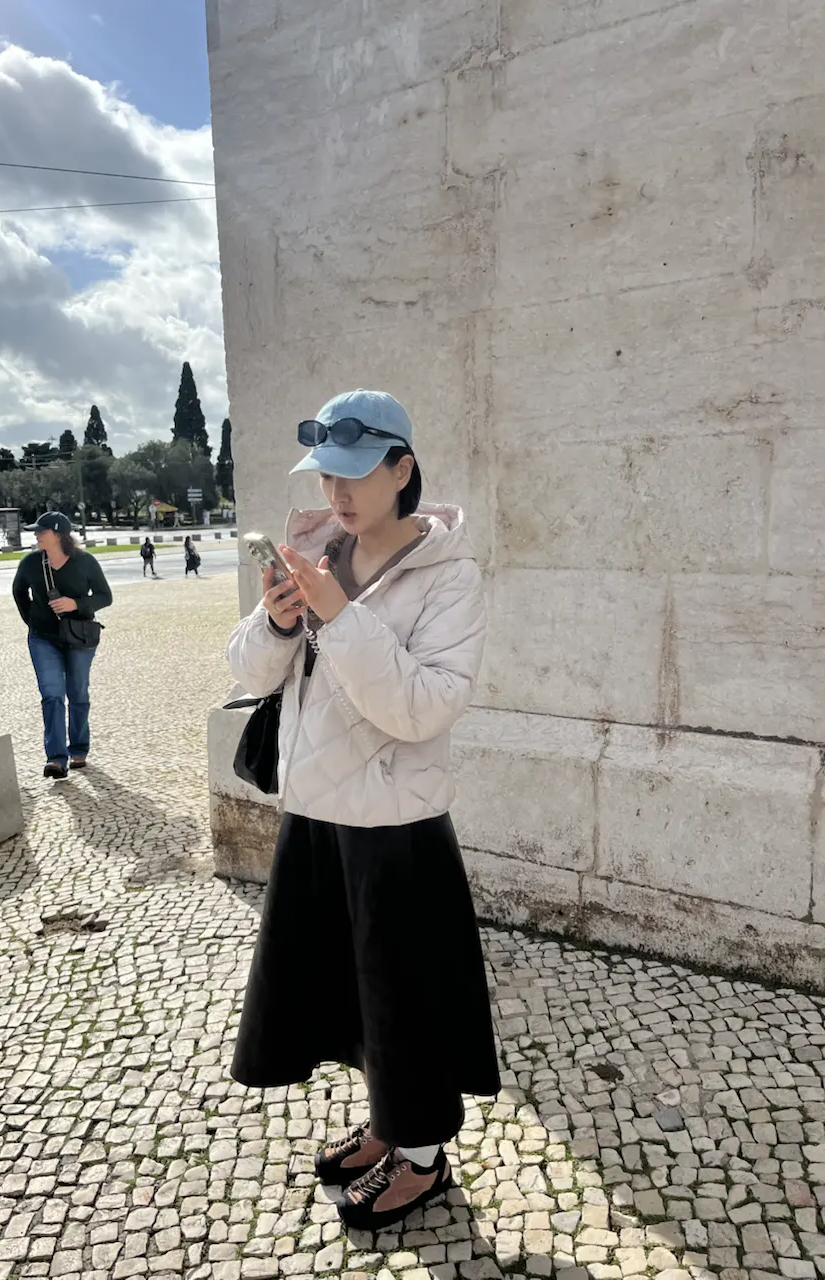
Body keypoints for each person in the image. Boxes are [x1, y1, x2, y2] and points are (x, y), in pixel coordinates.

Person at [227, 390, 500, 1231]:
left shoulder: (449, 574)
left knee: (404, 991)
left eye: (354, 473)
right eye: (325, 474)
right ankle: (390, 1126)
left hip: (395, 823)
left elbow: (423, 708)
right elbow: (250, 677)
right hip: (315, 811)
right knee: (348, 988)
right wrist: (275, 627)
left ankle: (421, 1157)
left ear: (402, 470)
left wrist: (338, 618)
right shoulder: (317, 549)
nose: (336, 492)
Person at [12, 512, 113, 779]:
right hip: (43, 638)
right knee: (52, 695)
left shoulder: (85, 562)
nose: (36, 534)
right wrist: (32, 620)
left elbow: (105, 596)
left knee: (78, 692)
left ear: (58, 534)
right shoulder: (31, 563)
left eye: (41, 531)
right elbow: (18, 592)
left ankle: (79, 748)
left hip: (79, 636)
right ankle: (56, 758)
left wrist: (76, 604)